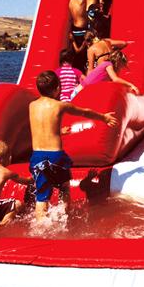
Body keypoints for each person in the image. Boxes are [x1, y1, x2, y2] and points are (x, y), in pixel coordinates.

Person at [29, 70, 118, 221]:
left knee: (41, 196)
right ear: (57, 89)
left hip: (37, 156)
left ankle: (39, 227)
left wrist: (59, 131)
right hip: (55, 156)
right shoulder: (59, 106)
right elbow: (85, 112)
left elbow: (42, 127)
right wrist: (103, 117)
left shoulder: (32, 105)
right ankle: (65, 219)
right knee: (64, 188)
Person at [71, 50, 139, 99]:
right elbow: (115, 79)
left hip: (80, 90)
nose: (121, 69)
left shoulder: (105, 64)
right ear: (118, 62)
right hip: (80, 92)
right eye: (121, 66)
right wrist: (131, 85)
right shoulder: (108, 65)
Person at [69, 0, 99, 71]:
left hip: (75, 29)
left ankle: (78, 73)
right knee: (86, 55)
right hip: (82, 30)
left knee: (79, 56)